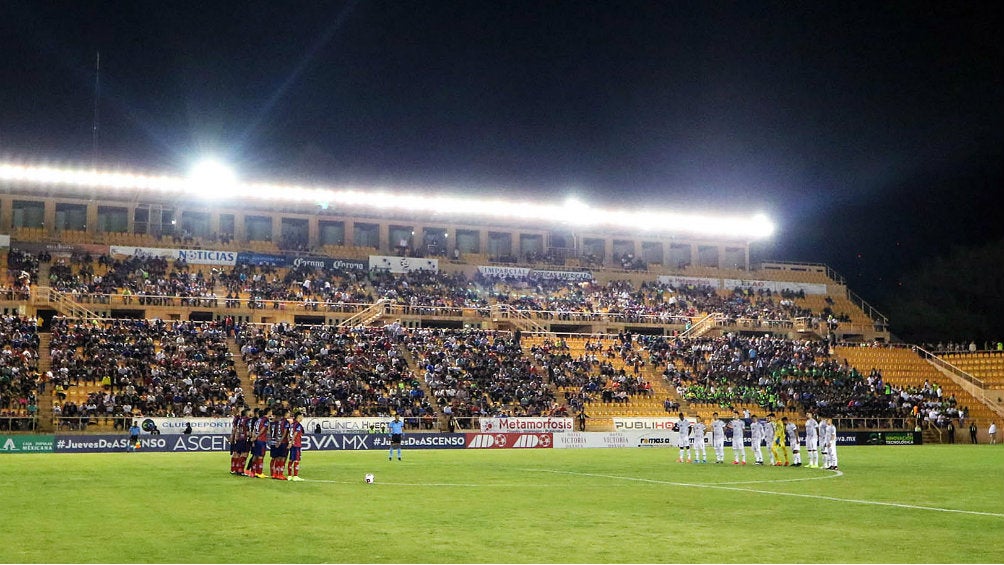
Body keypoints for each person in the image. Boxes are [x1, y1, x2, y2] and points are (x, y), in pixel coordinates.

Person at [247, 408, 271, 478]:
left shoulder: (258, 420)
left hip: (256, 440)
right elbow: (263, 429)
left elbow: (254, 429)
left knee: (255, 455)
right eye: (271, 411)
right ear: (268, 412)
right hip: (261, 440)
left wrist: (254, 437)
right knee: (260, 456)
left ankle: (253, 471)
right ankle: (259, 473)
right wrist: (257, 436)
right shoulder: (265, 420)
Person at [286, 412, 306, 481]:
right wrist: (291, 443)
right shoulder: (298, 425)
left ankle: (289, 476)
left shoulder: (292, 424)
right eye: (302, 416)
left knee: (291, 459)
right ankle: (295, 476)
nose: (302, 418)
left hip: (292, 444)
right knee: (296, 460)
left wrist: (290, 442)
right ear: (299, 417)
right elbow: (295, 434)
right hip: (296, 444)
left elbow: (288, 434)